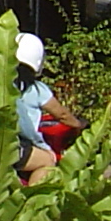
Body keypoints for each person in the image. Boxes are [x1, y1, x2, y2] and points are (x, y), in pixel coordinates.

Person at [13, 33, 77, 185]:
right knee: (47, 160)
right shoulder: (36, 89)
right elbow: (61, 114)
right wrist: (78, 124)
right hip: (16, 144)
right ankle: (29, 202)